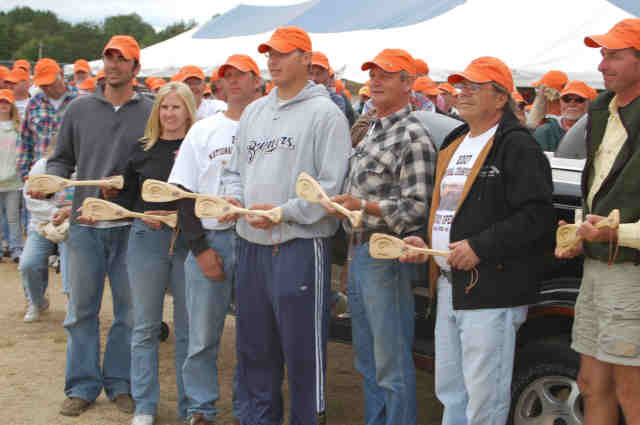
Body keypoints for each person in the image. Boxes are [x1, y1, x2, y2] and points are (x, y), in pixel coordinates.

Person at [402, 56, 554, 425]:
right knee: (451, 393)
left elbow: (537, 215)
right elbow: (446, 209)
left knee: (484, 402)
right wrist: (426, 242)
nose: (462, 92)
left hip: (492, 290)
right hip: (450, 287)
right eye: (460, 85)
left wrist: (480, 247)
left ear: (501, 98)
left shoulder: (518, 146)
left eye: (474, 86)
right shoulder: (455, 141)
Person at [221, 26, 350, 425]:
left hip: (299, 245)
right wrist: (234, 200)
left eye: (281, 53)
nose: (272, 61)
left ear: (306, 59)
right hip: (250, 244)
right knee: (254, 349)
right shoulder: (255, 111)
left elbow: (331, 188)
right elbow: (233, 171)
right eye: (269, 54)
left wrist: (282, 212)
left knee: (302, 353)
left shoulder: (326, 114)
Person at [42, 35, 154, 417]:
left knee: (129, 314)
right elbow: (61, 159)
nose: (113, 65)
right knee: (80, 312)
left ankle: (120, 384)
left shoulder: (150, 111)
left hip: (129, 228)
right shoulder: (79, 108)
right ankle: (82, 386)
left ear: (136, 67)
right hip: (84, 226)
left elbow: (156, 166)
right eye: (109, 58)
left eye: (122, 59)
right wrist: (53, 183)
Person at [323, 48, 436, 425]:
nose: (375, 81)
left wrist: (362, 205)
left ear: (408, 83)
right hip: (360, 252)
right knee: (368, 360)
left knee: (389, 362)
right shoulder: (373, 127)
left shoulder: (413, 136)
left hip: (386, 254)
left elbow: (416, 208)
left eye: (385, 75)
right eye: (372, 74)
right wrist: (344, 207)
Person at [169, 53, 262, 425]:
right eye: (227, 75)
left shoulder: (269, 129)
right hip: (213, 239)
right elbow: (182, 192)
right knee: (203, 336)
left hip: (257, 240)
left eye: (241, 74)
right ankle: (201, 409)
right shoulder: (204, 129)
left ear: (257, 80)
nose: (233, 81)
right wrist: (200, 248)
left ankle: (247, 409)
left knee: (253, 336)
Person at [556, 18, 640, 425]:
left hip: (631, 270)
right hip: (598, 265)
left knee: (631, 391)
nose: (603, 65)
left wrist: (615, 232)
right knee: (591, 384)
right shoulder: (602, 110)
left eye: (615, 56)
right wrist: (579, 232)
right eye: (603, 55)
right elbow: (595, 189)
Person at [113, 81, 196, 425]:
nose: (169, 113)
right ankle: (145, 405)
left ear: (188, 111)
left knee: (188, 328)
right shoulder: (141, 149)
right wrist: (133, 211)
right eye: (164, 107)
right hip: (146, 238)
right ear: (156, 111)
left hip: (189, 241)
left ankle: (190, 407)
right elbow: (126, 197)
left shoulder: (196, 147)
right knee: (145, 326)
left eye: (176, 107)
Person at [16, 58, 78, 181]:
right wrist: (24, 172)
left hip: (72, 177)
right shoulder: (34, 103)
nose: (47, 88)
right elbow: (25, 140)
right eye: (43, 85)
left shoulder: (80, 101)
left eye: (51, 83)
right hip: (39, 175)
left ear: (61, 75)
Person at [534, 80, 597, 152]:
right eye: (566, 99)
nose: (572, 103)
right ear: (560, 102)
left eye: (579, 100)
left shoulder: (597, 131)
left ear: (589, 103)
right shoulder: (544, 132)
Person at [0, 90, 25, 263]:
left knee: (13, 217)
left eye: (7, 102)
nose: (3, 105)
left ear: (12, 105)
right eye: (1, 102)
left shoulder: (19, 126)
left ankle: (17, 249)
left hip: (14, 181)